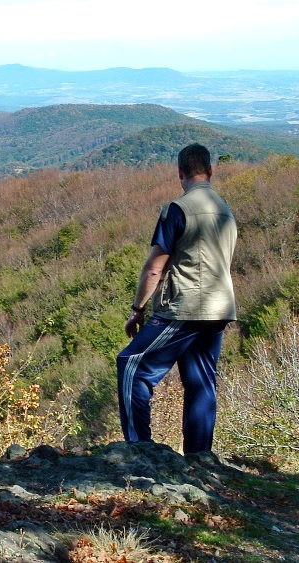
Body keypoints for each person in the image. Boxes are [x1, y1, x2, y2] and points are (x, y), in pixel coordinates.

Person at [116, 143, 237, 454]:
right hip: (220, 308)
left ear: (180, 173)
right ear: (210, 171)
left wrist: (137, 309)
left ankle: (140, 451)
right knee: (201, 383)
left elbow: (156, 267)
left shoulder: (178, 209)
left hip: (185, 306)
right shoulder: (226, 210)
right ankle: (199, 458)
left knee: (132, 365)